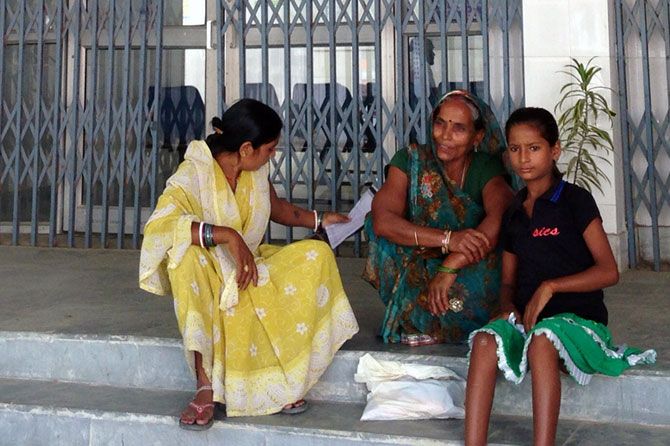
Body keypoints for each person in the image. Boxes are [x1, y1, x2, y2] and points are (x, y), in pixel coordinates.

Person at [139, 99, 359, 430]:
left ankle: (277, 382)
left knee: (318, 255)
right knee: (185, 260)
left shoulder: (254, 172)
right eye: (269, 150)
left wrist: (321, 219)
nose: (273, 156)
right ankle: (205, 385)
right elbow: (161, 227)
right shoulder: (195, 172)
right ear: (245, 148)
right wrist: (227, 235)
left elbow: (279, 209)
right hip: (212, 274)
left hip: (250, 268)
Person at [464, 107, 657, 446]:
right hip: (530, 323)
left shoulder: (575, 201)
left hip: (580, 324)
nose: (523, 158)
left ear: (554, 151)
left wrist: (551, 287)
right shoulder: (513, 211)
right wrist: (508, 308)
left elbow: (608, 271)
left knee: (543, 340)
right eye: (514, 148)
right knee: (483, 340)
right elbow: (508, 283)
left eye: (534, 148)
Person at [363, 90, 514, 345]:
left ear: (477, 136)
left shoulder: (486, 167)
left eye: (459, 129)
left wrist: (451, 264)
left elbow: (502, 215)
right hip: (421, 255)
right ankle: (415, 319)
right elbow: (383, 220)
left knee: (497, 244)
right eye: (440, 123)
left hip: (465, 265)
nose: (445, 135)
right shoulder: (411, 160)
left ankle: (457, 320)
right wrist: (448, 239)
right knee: (376, 230)